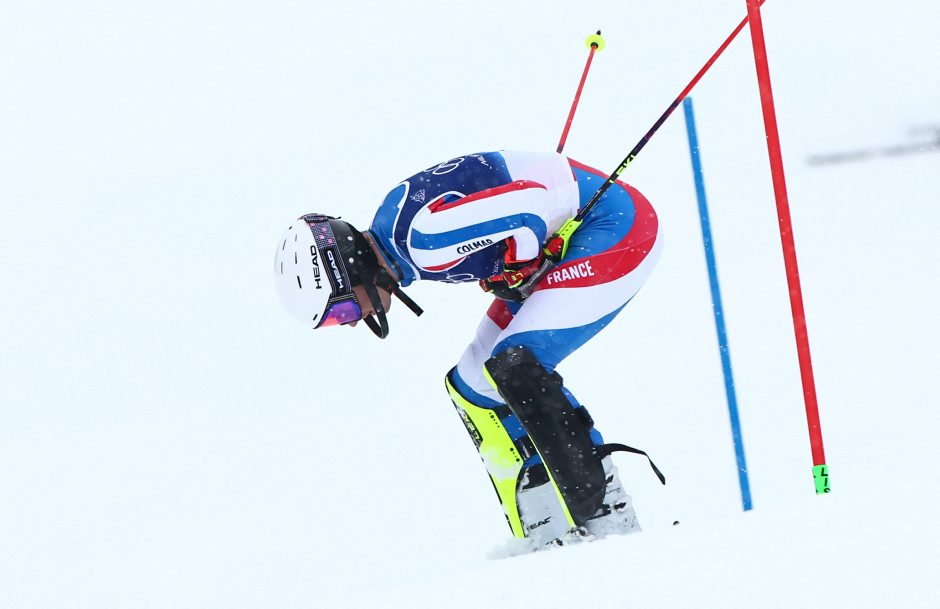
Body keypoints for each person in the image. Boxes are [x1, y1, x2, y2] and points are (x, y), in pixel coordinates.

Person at [274, 150, 663, 550]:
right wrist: (513, 262)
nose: (352, 321)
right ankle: (546, 522)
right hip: (587, 229)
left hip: (617, 227)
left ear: (350, 272)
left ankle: (608, 517)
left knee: (516, 362)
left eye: (341, 311)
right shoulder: (395, 236)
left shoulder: (421, 244)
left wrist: (520, 263)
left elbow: (528, 205)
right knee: (474, 383)